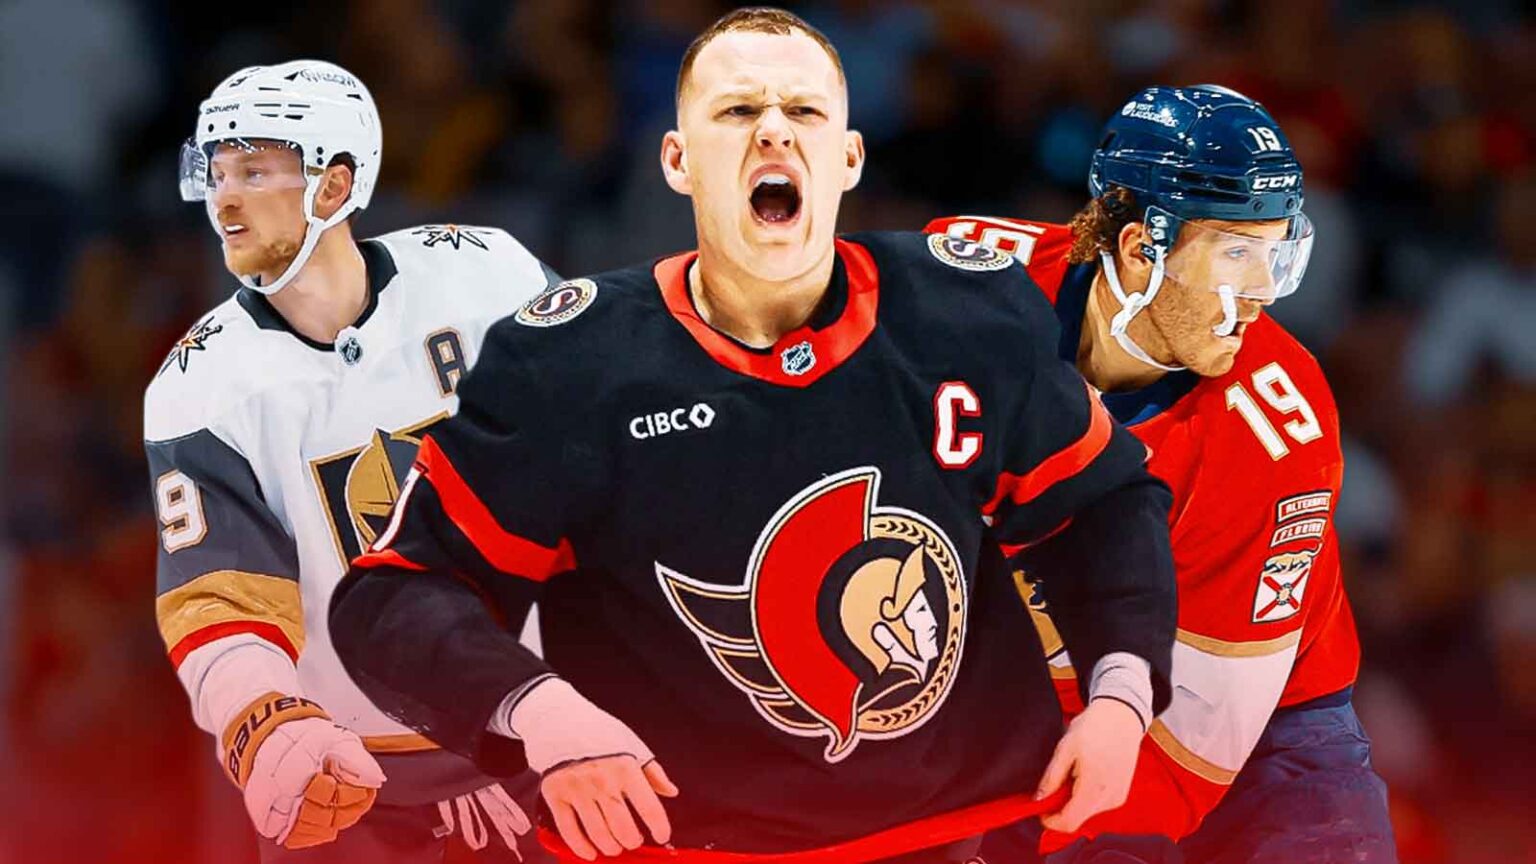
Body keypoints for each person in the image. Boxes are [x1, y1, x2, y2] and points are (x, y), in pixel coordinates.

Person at [330, 9, 1178, 864]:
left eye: (804, 112)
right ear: (677, 160)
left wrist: (1121, 695)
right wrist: (541, 714)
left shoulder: (969, 312)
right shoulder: (567, 363)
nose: (774, 128)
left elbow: (1103, 503)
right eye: (737, 112)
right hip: (679, 842)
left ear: (848, 158)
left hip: (961, 825)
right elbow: (396, 595)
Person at [927, 84, 1397, 863]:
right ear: (1143, 246)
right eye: (1236, 253)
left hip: (1256, 731)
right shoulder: (961, 290)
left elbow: (1193, 758)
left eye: (1278, 252)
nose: (1260, 294)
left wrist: (1002, 839)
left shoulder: (1276, 429)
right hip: (1016, 685)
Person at [145, 59, 558, 861]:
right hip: (347, 777)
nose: (225, 198)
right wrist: (263, 720)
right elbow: (219, 600)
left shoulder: (487, 276)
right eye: (217, 171)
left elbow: (604, 467)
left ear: (333, 188)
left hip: (546, 731)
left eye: (255, 171)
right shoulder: (199, 386)